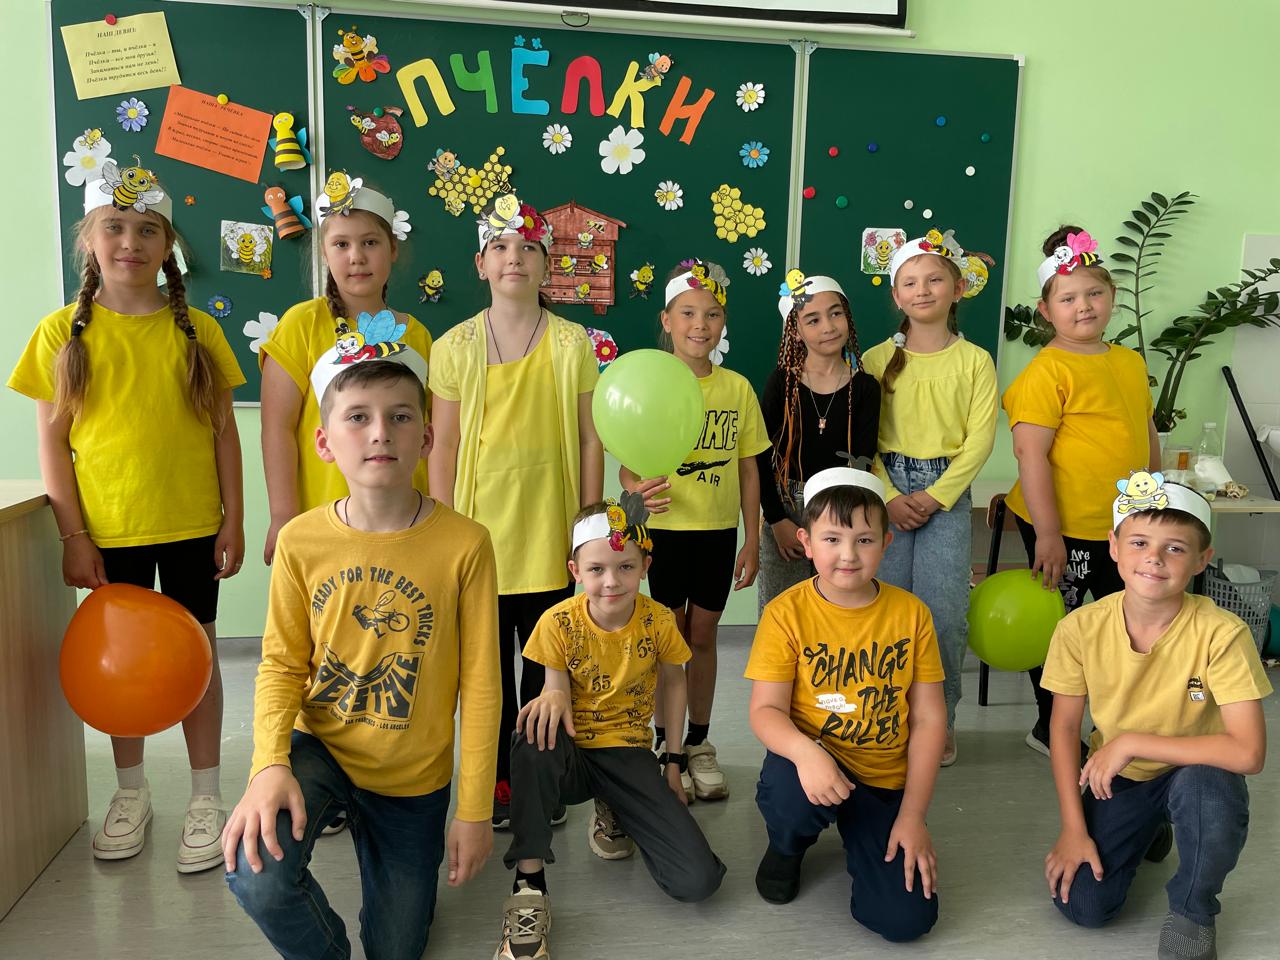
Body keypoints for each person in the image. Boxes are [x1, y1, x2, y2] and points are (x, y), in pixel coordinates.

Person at [8, 162, 245, 872]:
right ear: (89, 238)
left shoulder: (197, 330)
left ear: (168, 245)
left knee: (200, 656)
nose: (130, 243)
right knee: (122, 666)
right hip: (110, 533)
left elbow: (224, 434)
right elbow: (52, 443)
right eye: (114, 227)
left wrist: (234, 519)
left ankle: (206, 796)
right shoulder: (60, 334)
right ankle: (131, 791)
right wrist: (73, 534)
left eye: (148, 230)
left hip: (192, 525)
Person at [223, 355, 500, 959]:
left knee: (397, 949)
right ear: (325, 443)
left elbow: (482, 685)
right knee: (254, 872)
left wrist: (474, 810)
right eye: (358, 417)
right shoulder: (300, 540)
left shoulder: (466, 544)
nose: (380, 432)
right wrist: (267, 765)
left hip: (410, 776)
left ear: (426, 438)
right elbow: (281, 665)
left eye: (400, 416)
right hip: (318, 748)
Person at [1041, 475, 1271, 960]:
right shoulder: (1079, 628)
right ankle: (1154, 826)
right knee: (1084, 905)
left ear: (1202, 560)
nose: (1154, 558)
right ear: (1114, 547)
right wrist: (1072, 828)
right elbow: (1062, 729)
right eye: (1140, 543)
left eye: (1175, 548)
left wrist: (1130, 742)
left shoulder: (1222, 633)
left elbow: (1248, 752)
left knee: (1209, 793)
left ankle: (1193, 910)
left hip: (1197, 771)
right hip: (1121, 779)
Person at [428, 193, 604, 828]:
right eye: (500, 247)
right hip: (480, 539)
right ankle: (498, 778)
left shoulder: (572, 342)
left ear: (546, 264)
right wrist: (441, 530)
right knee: (487, 674)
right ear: (480, 263)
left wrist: (588, 524)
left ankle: (539, 776)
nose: (514, 258)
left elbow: (589, 440)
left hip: (549, 533)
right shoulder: (454, 346)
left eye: (528, 248)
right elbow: (443, 444)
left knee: (543, 668)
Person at [494, 494, 724, 960]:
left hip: (629, 752)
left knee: (696, 881)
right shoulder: (557, 621)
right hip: (573, 752)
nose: (612, 581)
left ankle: (615, 804)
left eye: (625, 567)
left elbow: (674, 682)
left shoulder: (658, 621)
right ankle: (529, 884)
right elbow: (555, 688)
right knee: (532, 731)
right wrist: (552, 694)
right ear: (575, 571)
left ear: (645, 566)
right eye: (596, 569)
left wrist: (673, 763)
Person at [746, 465, 946, 942]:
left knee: (906, 921)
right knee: (790, 797)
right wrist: (806, 754)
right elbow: (765, 711)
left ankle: (869, 829)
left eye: (864, 540)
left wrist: (913, 816)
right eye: (832, 539)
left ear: (886, 542)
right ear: (807, 542)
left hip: (882, 777)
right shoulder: (785, 613)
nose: (848, 555)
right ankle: (787, 845)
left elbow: (928, 718)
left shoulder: (912, 614)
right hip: (812, 762)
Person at [1004, 226, 1161, 754]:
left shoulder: (1129, 361)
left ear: (1112, 296)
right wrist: (1048, 535)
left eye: (1094, 293)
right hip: (1064, 529)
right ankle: (1052, 728)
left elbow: (1146, 432)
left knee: (1126, 627)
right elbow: (1031, 455)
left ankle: (1120, 725)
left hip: (1124, 525)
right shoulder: (1047, 371)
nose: (1084, 306)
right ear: (1046, 310)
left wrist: (1154, 505)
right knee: (1061, 631)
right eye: (1068, 298)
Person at [621, 259, 770, 801]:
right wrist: (634, 490)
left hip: (716, 533)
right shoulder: (650, 384)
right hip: (663, 533)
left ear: (723, 322)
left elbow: (749, 468)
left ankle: (700, 742)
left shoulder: (737, 388)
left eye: (711, 314)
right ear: (667, 320)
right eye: (687, 313)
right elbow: (628, 464)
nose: (699, 325)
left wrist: (752, 538)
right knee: (669, 640)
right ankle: (668, 746)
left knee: (701, 637)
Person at [862, 232, 998, 766]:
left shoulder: (975, 361)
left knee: (944, 614)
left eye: (935, 279)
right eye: (910, 282)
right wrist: (890, 495)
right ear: (896, 295)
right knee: (885, 609)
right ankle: (888, 715)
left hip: (948, 491)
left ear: (957, 288)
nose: (922, 290)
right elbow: (864, 438)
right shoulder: (875, 359)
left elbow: (979, 441)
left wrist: (937, 496)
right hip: (886, 489)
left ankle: (941, 720)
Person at [260, 172, 429, 565]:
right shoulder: (301, 325)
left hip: (405, 521)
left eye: (370, 242)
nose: (357, 256)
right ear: (325, 252)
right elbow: (277, 428)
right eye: (341, 244)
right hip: (325, 520)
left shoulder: (417, 335)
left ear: (392, 249)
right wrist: (282, 515)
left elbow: (428, 429)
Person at [757, 271, 879, 613]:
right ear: (795, 331)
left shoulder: (865, 387)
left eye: (835, 313)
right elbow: (760, 455)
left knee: (835, 608)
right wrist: (777, 519)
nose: (828, 326)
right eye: (813, 319)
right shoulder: (782, 383)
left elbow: (864, 457)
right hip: (787, 506)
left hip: (842, 507)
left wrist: (845, 522)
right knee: (781, 609)